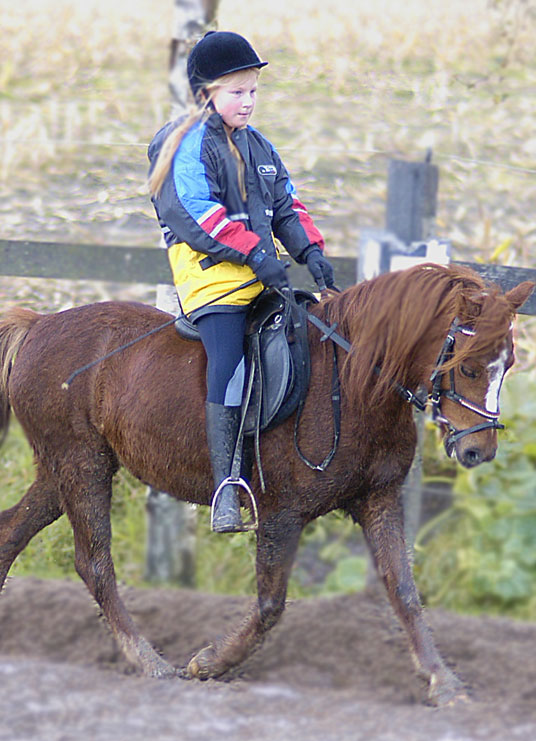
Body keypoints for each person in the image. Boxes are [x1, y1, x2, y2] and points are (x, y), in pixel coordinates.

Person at [147, 30, 336, 533]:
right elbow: (195, 213)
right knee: (228, 361)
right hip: (213, 280)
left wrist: (310, 251)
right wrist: (255, 251)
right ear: (206, 92)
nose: (248, 101)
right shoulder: (182, 144)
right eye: (237, 91)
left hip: (262, 273)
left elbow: (287, 205)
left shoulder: (259, 147)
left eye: (253, 90)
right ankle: (226, 487)